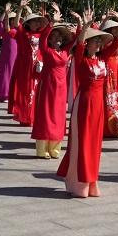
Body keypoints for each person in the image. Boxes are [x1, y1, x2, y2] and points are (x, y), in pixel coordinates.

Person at [57, 24, 113, 197]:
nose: (97, 45)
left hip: (99, 107)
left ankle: (92, 182)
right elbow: (78, 46)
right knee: (83, 143)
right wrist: (86, 27)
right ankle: (80, 183)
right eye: (94, 41)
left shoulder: (102, 59)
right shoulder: (81, 60)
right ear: (87, 43)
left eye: (99, 42)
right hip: (84, 104)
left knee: (95, 145)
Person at [32, 10, 79, 159]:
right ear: (50, 39)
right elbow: (42, 39)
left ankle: (55, 148)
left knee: (58, 116)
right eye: (54, 36)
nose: (57, 38)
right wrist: (52, 22)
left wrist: (79, 22)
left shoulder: (65, 51)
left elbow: (77, 39)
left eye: (60, 36)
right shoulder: (46, 50)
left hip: (61, 88)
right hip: (47, 86)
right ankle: (42, 149)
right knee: (45, 115)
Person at [9, 0, 49, 127]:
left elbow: (49, 29)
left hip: (38, 66)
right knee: (26, 90)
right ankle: (25, 116)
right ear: (29, 23)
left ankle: (34, 116)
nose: (37, 23)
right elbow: (15, 24)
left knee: (36, 90)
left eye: (38, 21)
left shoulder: (41, 34)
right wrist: (20, 9)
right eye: (34, 21)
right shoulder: (23, 33)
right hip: (25, 66)